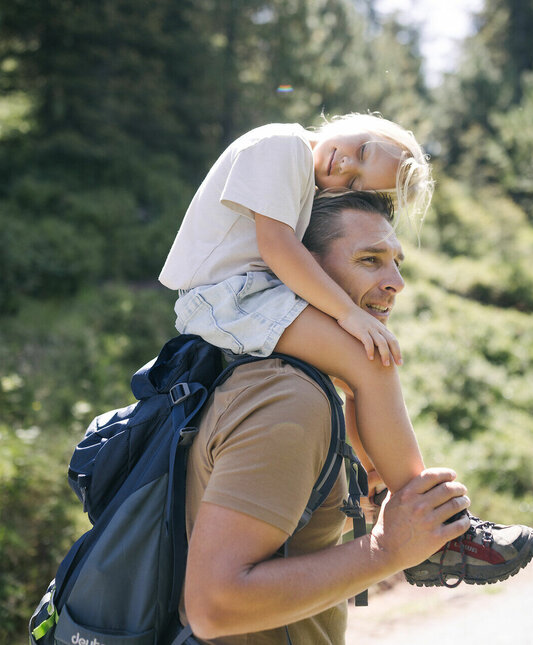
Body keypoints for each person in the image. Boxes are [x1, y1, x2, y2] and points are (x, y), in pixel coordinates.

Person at [159, 114, 533, 588]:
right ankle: (439, 534)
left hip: (250, 293)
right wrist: (349, 314)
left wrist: (372, 461)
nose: (343, 170)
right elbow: (278, 248)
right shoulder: (282, 144)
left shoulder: (302, 172)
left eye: (357, 180)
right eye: (359, 153)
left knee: (358, 374)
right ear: (354, 124)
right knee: (367, 358)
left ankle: (381, 487)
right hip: (229, 296)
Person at [181, 192, 473, 644]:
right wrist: (388, 550)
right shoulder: (289, 400)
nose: (396, 281)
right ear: (302, 269)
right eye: (370, 260)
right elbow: (214, 607)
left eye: (397, 262)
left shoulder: (285, 379)